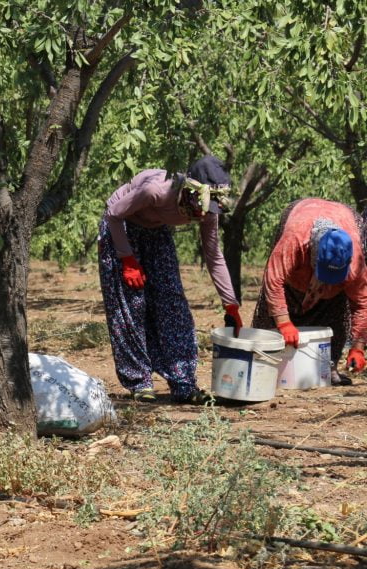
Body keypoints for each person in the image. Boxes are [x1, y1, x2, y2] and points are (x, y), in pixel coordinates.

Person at [98, 154, 240, 404]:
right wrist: (127, 259)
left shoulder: (210, 209)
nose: (204, 213)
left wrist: (231, 304)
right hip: (122, 227)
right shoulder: (156, 191)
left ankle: (183, 382)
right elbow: (114, 214)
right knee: (132, 305)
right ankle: (139, 381)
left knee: (172, 304)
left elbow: (213, 255)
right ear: (189, 191)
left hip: (155, 231)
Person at [251, 199, 367, 385]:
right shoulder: (295, 238)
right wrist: (283, 322)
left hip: (343, 218)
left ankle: (328, 367)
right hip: (302, 216)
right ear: (312, 253)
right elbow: (273, 280)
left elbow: (362, 303)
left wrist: (358, 347)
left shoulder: (355, 260)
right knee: (271, 319)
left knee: (336, 312)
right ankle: (264, 366)